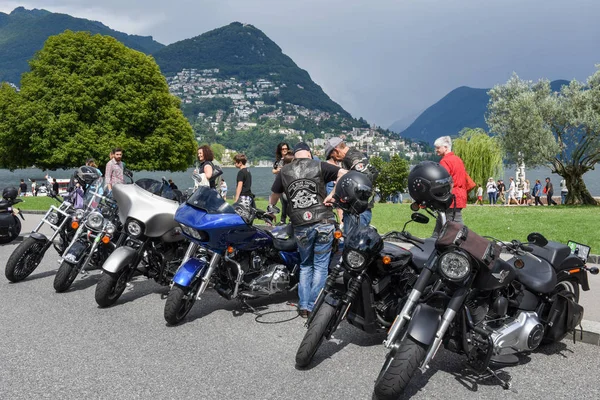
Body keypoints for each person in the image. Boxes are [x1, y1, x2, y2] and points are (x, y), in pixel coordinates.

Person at [268, 142, 347, 318]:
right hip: (323, 220)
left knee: (305, 265)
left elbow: (274, 194)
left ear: (295, 155)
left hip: (300, 224)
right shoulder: (320, 165)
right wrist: (333, 194)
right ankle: (312, 306)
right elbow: (344, 174)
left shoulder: (285, 171)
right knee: (320, 265)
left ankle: (303, 306)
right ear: (309, 154)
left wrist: (270, 207)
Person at [325, 137, 377, 234]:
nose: (334, 159)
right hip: (358, 208)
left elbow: (363, 181)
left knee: (353, 241)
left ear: (336, 151)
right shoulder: (353, 155)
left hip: (358, 211)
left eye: (332, 156)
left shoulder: (352, 158)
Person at [433, 136, 468, 234]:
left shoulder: (445, 161)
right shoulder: (458, 160)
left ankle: (467, 245)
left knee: (456, 227)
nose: (436, 150)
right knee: (441, 223)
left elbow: (442, 181)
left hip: (451, 198)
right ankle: (433, 243)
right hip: (460, 195)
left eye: (438, 148)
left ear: (446, 147)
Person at [272, 142, 291, 224]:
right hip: (279, 184)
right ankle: (283, 220)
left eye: (286, 149)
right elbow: (273, 170)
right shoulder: (278, 161)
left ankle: (291, 219)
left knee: (289, 203)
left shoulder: (290, 159)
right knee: (283, 203)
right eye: (282, 149)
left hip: (287, 183)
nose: (284, 150)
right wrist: (278, 170)